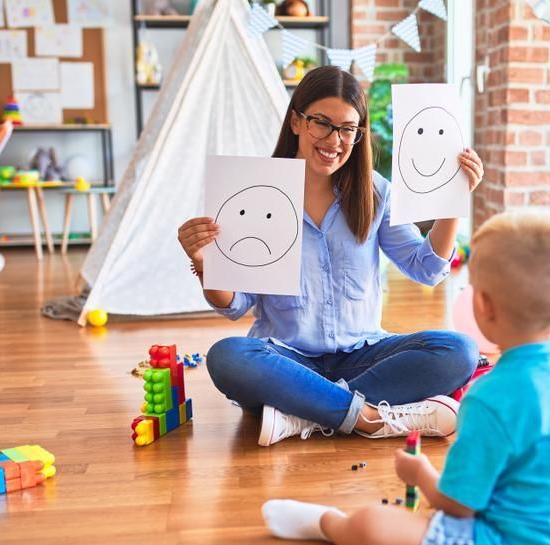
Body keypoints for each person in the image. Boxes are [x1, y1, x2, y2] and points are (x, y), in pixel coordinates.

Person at [261, 210, 550, 545]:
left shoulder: (490, 398)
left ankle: (328, 523)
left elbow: (458, 507)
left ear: (485, 307)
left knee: (372, 526)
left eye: (471, 288)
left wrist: (421, 474)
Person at [178, 66, 485, 446]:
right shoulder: (259, 191)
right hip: (287, 360)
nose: (334, 140)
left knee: (459, 351)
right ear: (296, 122)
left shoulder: (374, 193)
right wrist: (207, 264)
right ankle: (368, 417)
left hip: (363, 354)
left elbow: (427, 269)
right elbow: (236, 305)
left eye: (348, 129)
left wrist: (451, 200)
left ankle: (303, 414)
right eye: (321, 123)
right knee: (228, 356)